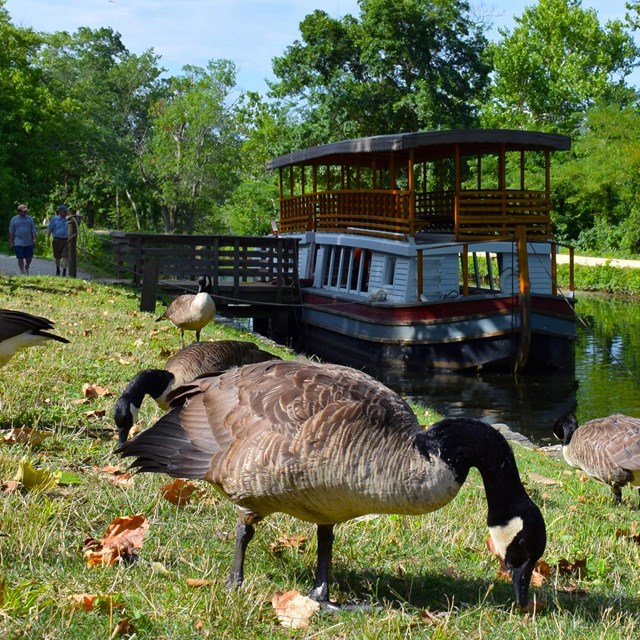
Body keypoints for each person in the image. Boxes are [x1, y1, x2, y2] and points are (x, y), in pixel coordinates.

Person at [8, 204, 37, 275]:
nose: (25, 212)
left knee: (29, 257)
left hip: (28, 241)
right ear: (19, 211)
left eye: (26, 211)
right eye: (23, 211)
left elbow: (33, 229)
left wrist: (34, 239)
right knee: (20, 257)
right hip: (18, 242)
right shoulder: (14, 219)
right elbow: (11, 232)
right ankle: (22, 271)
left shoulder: (29, 219)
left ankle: (27, 266)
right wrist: (11, 242)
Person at [47, 204, 70, 276]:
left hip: (66, 240)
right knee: (57, 256)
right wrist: (48, 239)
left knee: (65, 256)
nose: (66, 213)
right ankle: (57, 269)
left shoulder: (68, 219)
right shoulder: (55, 219)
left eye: (66, 212)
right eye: (64, 211)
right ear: (60, 212)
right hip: (57, 240)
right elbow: (50, 229)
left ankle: (64, 271)